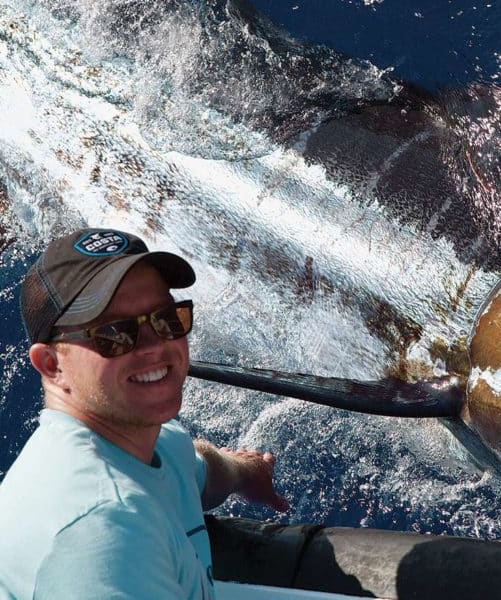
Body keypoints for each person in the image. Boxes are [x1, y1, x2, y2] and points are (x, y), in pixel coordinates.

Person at [0, 228, 289, 599]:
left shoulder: (138, 447)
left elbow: (194, 468)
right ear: (51, 364)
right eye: (115, 333)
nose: (155, 345)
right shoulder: (103, 532)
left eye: (166, 318)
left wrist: (248, 472)